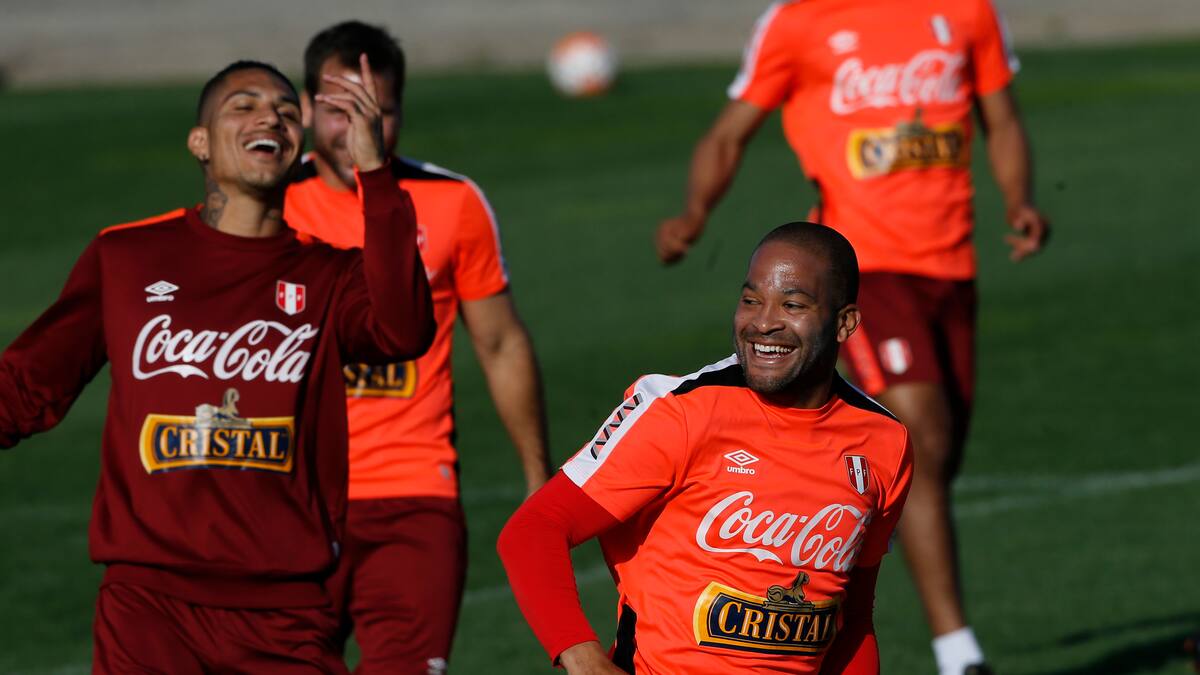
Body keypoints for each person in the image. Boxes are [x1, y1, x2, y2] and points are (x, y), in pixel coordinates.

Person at [0, 57, 434, 673]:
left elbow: (403, 331)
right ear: (199, 142)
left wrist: (376, 175)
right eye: (244, 106)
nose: (270, 119)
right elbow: (24, 388)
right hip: (148, 606)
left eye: (287, 113)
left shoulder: (329, 275)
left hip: (287, 613)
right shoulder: (126, 256)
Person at [654, 2, 1050, 672]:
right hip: (862, 267)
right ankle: (959, 652)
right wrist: (694, 214)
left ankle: (828, 547)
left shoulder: (969, 12)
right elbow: (729, 133)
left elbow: (1002, 118)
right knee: (922, 433)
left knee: (934, 461)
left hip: (951, 269)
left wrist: (1019, 199)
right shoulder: (799, 21)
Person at [500, 222, 913, 674]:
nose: (763, 323)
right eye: (751, 300)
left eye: (792, 305)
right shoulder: (681, 412)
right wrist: (585, 660)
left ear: (845, 323)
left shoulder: (884, 442)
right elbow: (533, 530)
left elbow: (852, 621)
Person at [284, 21, 551, 674]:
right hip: (288, 500)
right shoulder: (267, 205)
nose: (358, 132)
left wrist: (538, 476)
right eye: (341, 111)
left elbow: (500, 342)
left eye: (377, 112)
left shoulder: (451, 202)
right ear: (307, 107)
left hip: (414, 498)